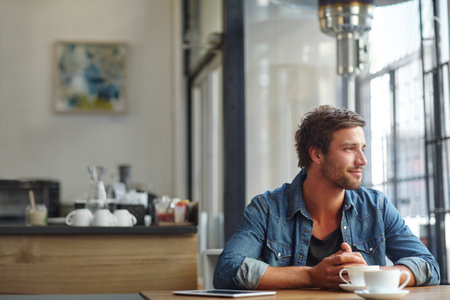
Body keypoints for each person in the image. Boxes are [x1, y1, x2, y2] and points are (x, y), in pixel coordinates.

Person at [213, 105, 440, 290]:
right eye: (350, 149)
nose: (362, 160)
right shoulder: (266, 209)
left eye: (363, 148)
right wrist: (312, 277)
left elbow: (428, 266)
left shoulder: (376, 206)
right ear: (317, 154)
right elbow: (227, 270)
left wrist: (369, 275)